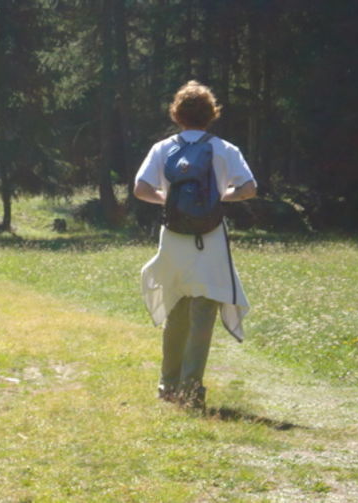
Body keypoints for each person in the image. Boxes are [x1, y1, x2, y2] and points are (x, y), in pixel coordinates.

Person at [133, 80, 257, 411]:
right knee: (203, 314)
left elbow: (140, 188)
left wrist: (166, 200)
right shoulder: (224, 149)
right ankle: (191, 390)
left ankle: (167, 385)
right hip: (211, 238)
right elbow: (249, 188)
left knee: (176, 311)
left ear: (177, 114)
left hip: (173, 237)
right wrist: (222, 197)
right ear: (210, 114)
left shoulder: (162, 148)